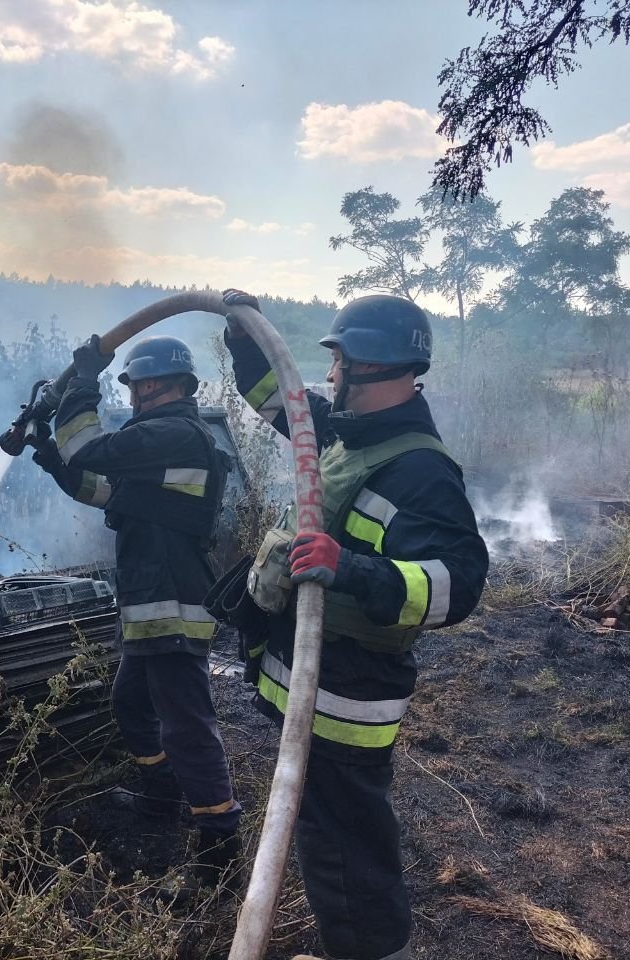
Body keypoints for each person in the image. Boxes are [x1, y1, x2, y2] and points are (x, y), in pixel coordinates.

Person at [220, 290, 488, 960]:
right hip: (311, 691)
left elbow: (460, 585)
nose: (330, 376)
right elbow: (275, 396)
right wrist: (244, 336)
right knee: (323, 842)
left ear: (373, 367)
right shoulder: (344, 432)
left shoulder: (420, 472)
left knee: (347, 855)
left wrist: (356, 570)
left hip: (346, 698)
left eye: (339, 363)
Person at [30, 332, 242, 884]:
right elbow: (105, 490)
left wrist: (81, 384)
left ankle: (219, 843)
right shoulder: (161, 444)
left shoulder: (173, 432)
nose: (141, 390)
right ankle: (161, 797)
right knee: (131, 702)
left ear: (177, 386)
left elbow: (91, 448)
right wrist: (51, 457)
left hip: (173, 603)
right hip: (152, 604)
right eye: (137, 381)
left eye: (149, 380)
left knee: (186, 725)